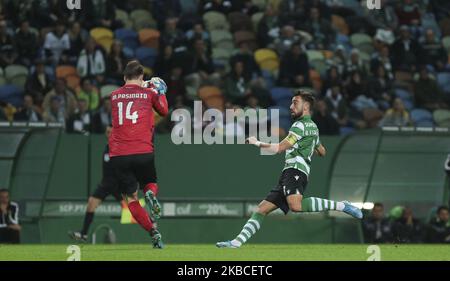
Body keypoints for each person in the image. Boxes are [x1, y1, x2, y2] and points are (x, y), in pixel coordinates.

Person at [216, 90, 363, 248]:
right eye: (291, 102)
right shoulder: (313, 127)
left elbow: (279, 148)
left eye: (295, 103)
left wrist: (256, 142)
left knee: (296, 206)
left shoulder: (299, 126)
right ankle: (237, 242)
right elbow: (322, 151)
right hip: (290, 172)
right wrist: (308, 146)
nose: (291, 106)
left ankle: (342, 205)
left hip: (295, 171)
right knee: (261, 209)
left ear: (306, 107)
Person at [109, 60, 168, 248]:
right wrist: (160, 91)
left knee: (131, 199)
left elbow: (129, 95)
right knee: (150, 183)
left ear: (124, 77)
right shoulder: (149, 93)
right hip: (143, 150)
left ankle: (153, 232)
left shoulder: (114, 96)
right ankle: (150, 193)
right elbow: (164, 111)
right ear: (142, 76)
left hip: (119, 154)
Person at [68, 127, 123, 242]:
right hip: (106, 184)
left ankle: (152, 226)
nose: (108, 134)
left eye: (110, 132)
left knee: (133, 211)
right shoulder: (107, 148)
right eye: (107, 132)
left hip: (118, 185)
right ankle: (83, 234)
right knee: (91, 203)